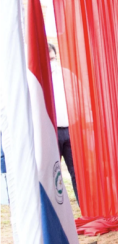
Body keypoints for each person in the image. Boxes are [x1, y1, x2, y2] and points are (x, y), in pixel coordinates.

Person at [49, 43, 78, 204]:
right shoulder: (35, 79)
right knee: (53, 172)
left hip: (70, 129)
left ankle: (85, 208)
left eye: (53, 58)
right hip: (50, 132)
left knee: (76, 172)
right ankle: (57, 208)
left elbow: (78, 99)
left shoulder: (65, 74)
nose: (51, 63)